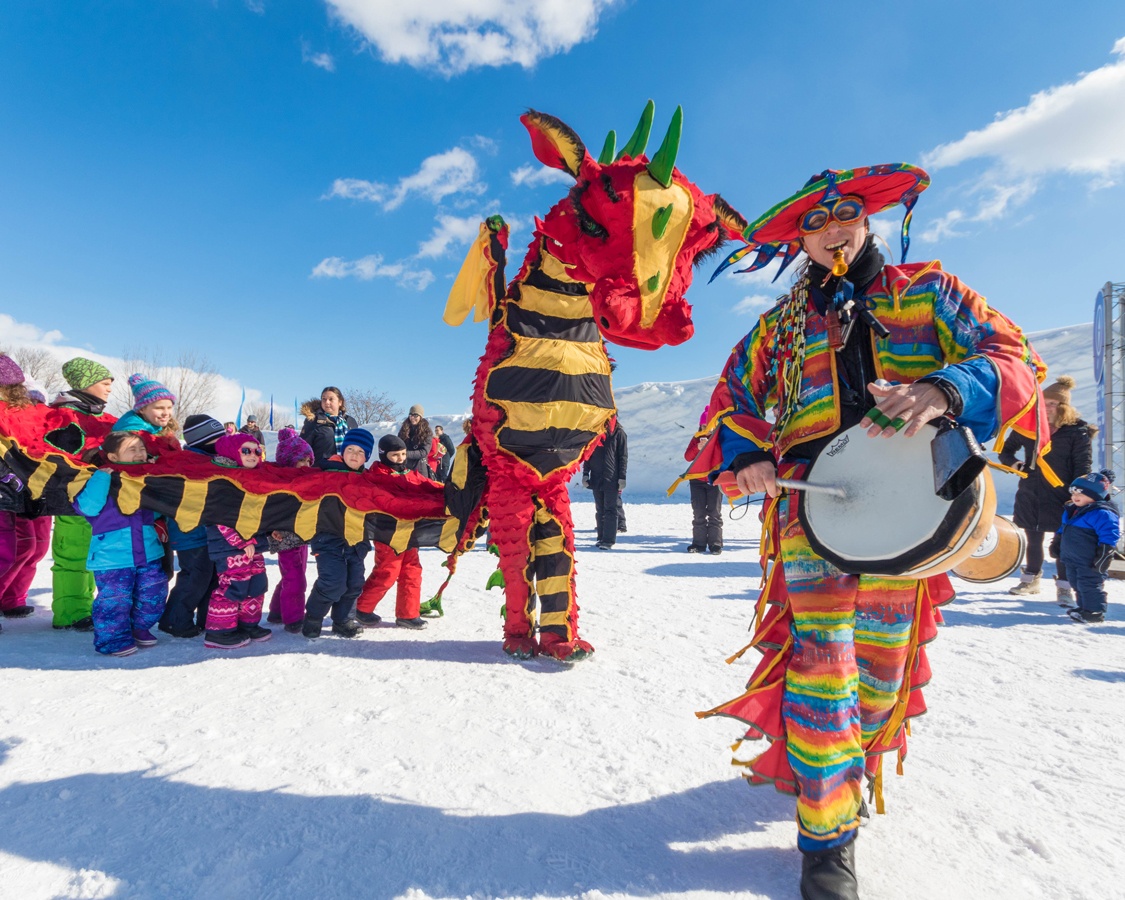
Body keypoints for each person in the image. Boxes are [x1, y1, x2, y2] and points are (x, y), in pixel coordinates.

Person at [698, 164, 1047, 900]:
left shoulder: (929, 291)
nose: (831, 229)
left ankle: (836, 774)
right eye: (814, 222)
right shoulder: (777, 327)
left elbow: (1011, 356)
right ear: (800, 238)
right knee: (823, 669)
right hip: (810, 515)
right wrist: (751, 455)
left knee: (881, 680)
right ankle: (827, 841)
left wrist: (945, 387)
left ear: (866, 221)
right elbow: (730, 401)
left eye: (845, 214)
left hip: (915, 512)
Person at [73, 432, 169, 657]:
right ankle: (113, 639)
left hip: (148, 551)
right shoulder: (100, 478)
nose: (140, 453)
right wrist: (102, 477)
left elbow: (158, 507)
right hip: (112, 556)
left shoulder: (144, 478)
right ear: (113, 456)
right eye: (132, 449)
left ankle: (139, 627)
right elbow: (87, 508)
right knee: (115, 600)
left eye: (142, 449)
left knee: (154, 592)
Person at [1000, 375, 1092, 603]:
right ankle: (1030, 580)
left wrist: (1078, 494)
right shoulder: (1029, 427)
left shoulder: (1076, 431)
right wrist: (1015, 465)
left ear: (1064, 407)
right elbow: (1005, 451)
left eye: (1053, 404)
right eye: (1045, 402)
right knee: (1032, 537)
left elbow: (1083, 466)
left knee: (1062, 541)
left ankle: (1064, 587)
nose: (1048, 407)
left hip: (1064, 494)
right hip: (1031, 491)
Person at [49, 356, 118, 631]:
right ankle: (70, 612)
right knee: (73, 554)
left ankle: (85, 605)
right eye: (104, 383)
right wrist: (95, 454)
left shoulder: (105, 417)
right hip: (71, 495)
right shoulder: (62, 415)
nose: (109, 388)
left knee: (93, 553)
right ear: (85, 384)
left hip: (100, 498)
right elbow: (61, 453)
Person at [302, 428, 374, 639]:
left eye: (360, 452)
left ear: (367, 457)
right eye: (350, 449)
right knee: (333, 582)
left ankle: (343, 620)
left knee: (354, 583)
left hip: (356, 540)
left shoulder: (367, 479)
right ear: (342, 451)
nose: (354, 454)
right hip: (327, 538)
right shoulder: (326, 472)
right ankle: (313, 617)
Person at [158, 414, 225, 638]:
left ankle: (208, 619)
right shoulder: (190, 463)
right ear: (204, 441)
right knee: (195, 577)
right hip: (190, 532)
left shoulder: (210, 460)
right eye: (218, 439)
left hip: (207, 533)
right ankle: (174, 620)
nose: (223, 442)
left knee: (210, 577)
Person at [202, 433, 272, 650]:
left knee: (256, 585)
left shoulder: (255, 479)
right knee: (234, 586)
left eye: (256, 451)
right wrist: (241, 541)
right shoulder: (223, 482)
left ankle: (248, 624)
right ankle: (219, 631)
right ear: (233, 452)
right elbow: (219, 519)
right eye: (246, 450)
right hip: (230, 547)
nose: (253, 455)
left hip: (254, 545)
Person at [355, 435, 428, 630]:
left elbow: (427, 487)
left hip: (409, 531)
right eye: (395, 455)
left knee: (412, 570)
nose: (401, 458)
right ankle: (362, 608)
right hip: (387, 532)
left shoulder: (409, 473)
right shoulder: (376, 476)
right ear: (384, 455)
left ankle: (408, 614)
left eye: (403, 454)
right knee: (388, 571)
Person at [0, 355, 52, 627]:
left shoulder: (17, 413)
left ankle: (11, 598)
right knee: (10, 549)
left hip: (19, 488)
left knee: (30, 547)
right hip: (10, 487)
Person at [1051, 470, 1120, 624]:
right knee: (1076, 583)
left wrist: (1105, 554)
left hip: (1090, 560)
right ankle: (1084, 608)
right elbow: (1063, 528)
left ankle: (1094, 612)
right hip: (1073, 558)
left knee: (1089, 584)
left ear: (1095, 495)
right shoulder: (1072, 509)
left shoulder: (1102, 513)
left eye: (1080, 493)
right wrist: (1057, 542)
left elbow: (1109, 535)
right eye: (1073, 492)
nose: (1075, 496)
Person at [266, 427, 314, 633]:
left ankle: (277, 610)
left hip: (301, 534)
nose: (305, 465)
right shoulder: (278, 483)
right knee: (295, 577)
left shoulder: (305, 481)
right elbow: (267, 510)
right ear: (288, 461)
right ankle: (293, 618)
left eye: (308, 461)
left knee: (294, 573)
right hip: (283, 535)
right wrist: (270, 530)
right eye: (300, 461)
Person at [582, 418, 627, 550]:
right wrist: (585, 473)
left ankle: (608, 540)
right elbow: (587, 455)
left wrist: (622, 477)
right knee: (600, 509)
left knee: (610, 509)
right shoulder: (594, 433)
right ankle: (601, 537)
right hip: (596, 478)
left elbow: (623, 457)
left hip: (612, 478)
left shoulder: (619, 434)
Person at [685, 408, 724, 554]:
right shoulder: (696, 439)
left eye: (708, 426)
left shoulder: (720, 438)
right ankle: (698, 543)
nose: (705, 429)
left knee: (714, 513)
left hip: (714, 480)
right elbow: (688, 457)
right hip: (697, 481)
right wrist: (697, 448)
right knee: (698, 513)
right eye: (703, 426)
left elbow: (723, 457)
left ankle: (715, 544)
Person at [300, 386, 358, 465]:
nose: (327, 402)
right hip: (320, 472)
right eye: (324, 399)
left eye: (331, 399)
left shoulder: (351, 422)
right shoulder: (313, 420)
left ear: (340, 402)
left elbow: (358, 448)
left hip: (346, 471)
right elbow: (302, 449)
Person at [398, 404, 438, 478]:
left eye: (415, 415)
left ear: (420, 417)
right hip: (404, 467)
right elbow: (399, 445)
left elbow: (424, 452)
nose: (412, 417)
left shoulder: (426, 431)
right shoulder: (403, 430)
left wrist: (405, 454)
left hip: (419, 469)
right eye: (410, 415)